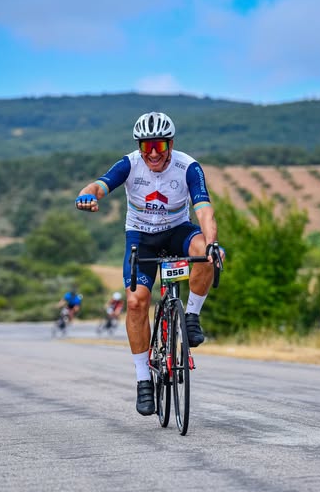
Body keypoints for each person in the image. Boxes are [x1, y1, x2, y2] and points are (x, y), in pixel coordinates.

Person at [75, 111, 223, 416]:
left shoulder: (188, 167)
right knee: (135, 302)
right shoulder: (130, 164)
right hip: (141, 237)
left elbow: (204, 211)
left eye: (159, 145)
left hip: (177, 231)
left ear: (170, 144)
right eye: (146, 146)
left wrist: (212, 243)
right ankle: (143, 379)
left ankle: (191, 316)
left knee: (206, 251)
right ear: (139, 147)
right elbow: (98, 186)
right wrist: (87, 196)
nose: (153, 153)